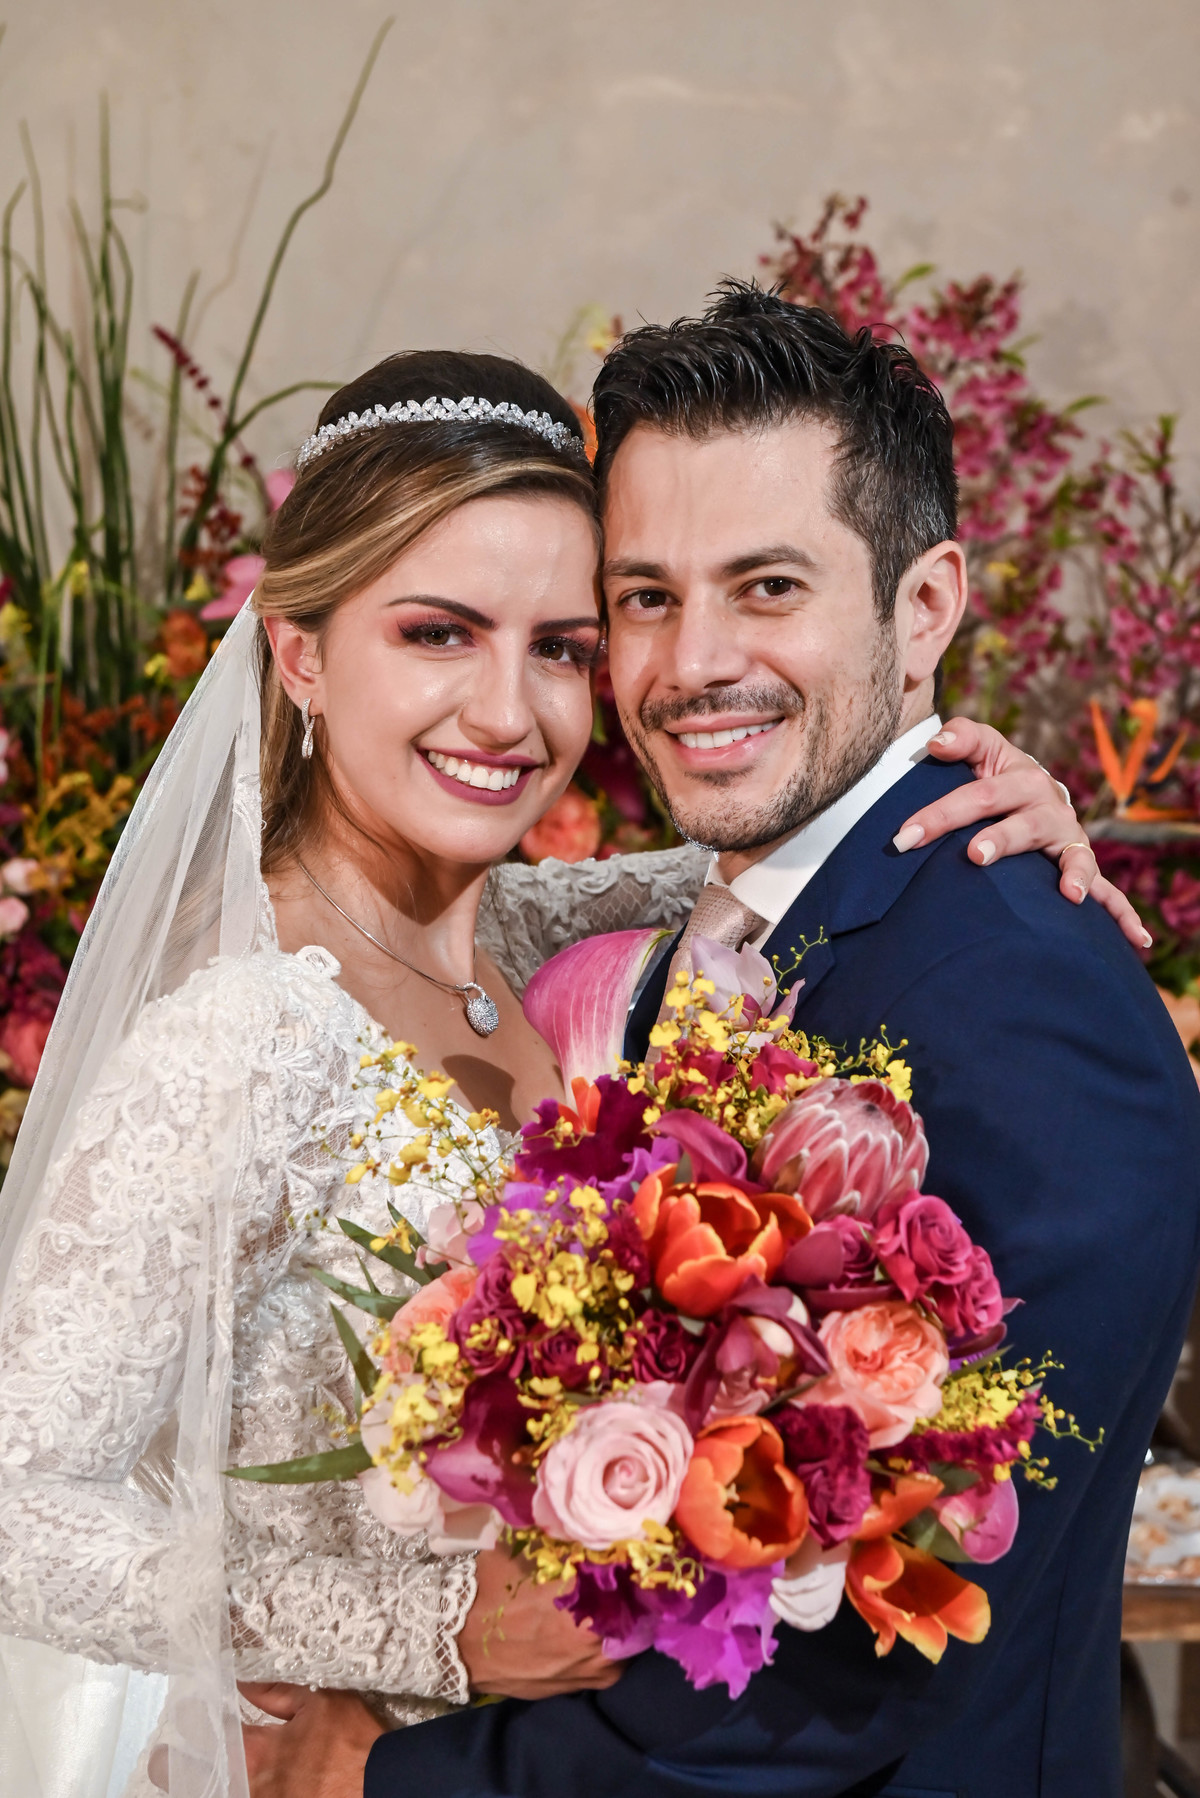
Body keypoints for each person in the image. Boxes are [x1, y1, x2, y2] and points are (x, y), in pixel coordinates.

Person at [0, 341, 1142, 1798]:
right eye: (437, 633)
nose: (507, 712)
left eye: (560, 645)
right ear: (299, 654)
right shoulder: (239, 1036)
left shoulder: (563, 928)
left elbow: (813, 842)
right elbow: (16, 1504)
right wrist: (430, 1622)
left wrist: (995, 787)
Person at [292, 289, 1200, 1798]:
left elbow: (874, 1655)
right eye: (644, 597)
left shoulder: (1023, 999)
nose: (692, 662)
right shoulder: (703, 928)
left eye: (767, 586)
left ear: (925, 608)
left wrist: (385, 1775)